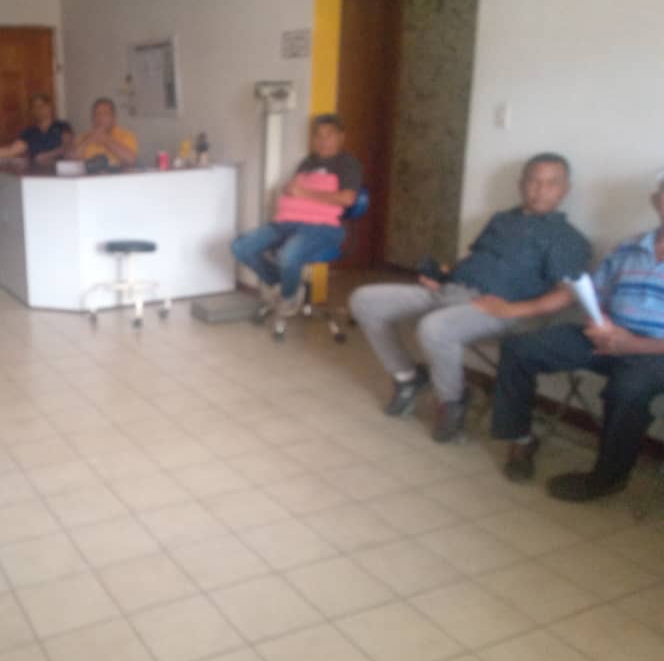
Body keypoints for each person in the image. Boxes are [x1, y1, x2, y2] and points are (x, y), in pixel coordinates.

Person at [349, 152, 591, 442]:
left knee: (435, 328)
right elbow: (475, 259)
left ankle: (452, 402)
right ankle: (408, 378)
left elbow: (566, 295)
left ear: (565, 189)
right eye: (534, 181)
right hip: (453, 292)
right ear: (521, 185)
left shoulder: (567, 238)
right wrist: (444, 275)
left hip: (503, 310)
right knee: (365, 300)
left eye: (551, 183)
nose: (540, 189)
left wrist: (511, 310)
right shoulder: (501, 220)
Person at [492, 172, 664, 501]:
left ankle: (607, 479)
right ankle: (521, 441)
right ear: (657, 201)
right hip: (606, 336)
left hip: (655, 353)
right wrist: (599, 323)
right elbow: (594, 295)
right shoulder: (629, 246)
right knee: (519, 348)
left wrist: (633, 343)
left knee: (627, 390)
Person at [232, 114, 363, 321]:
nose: (323, 141)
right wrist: (289, 189)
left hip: (323, 227)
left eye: (329, 135)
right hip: (286, 222)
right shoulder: (307, 162)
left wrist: (304, 193)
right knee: (241, 247)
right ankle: (284, 282)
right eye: (318, 136)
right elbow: (294, 189)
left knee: (288, 256)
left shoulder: (347, 164)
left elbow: (347, 199)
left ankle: (289, 296)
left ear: (341, 137)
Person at [0, 93, 73, 165]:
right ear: (32, 110)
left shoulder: (62, 126)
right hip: (36, 171)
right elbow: (11, 150)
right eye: (35, 107)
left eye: (42, 106)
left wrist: (49, 155)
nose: (39, 110)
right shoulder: (29, 132)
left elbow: (67, 146)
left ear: (49, 107)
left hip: (59, 167)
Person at [69, 98, 138, 167]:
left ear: (114, 118)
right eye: (96, 114)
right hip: (90, 173)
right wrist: (88, 140)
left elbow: (131, 160)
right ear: (92, 118)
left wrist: (105, 140)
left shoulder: (126, 136)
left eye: (105, 113)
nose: (100, 118)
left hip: (116, 174)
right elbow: (70, 160)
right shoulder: (84, 137)